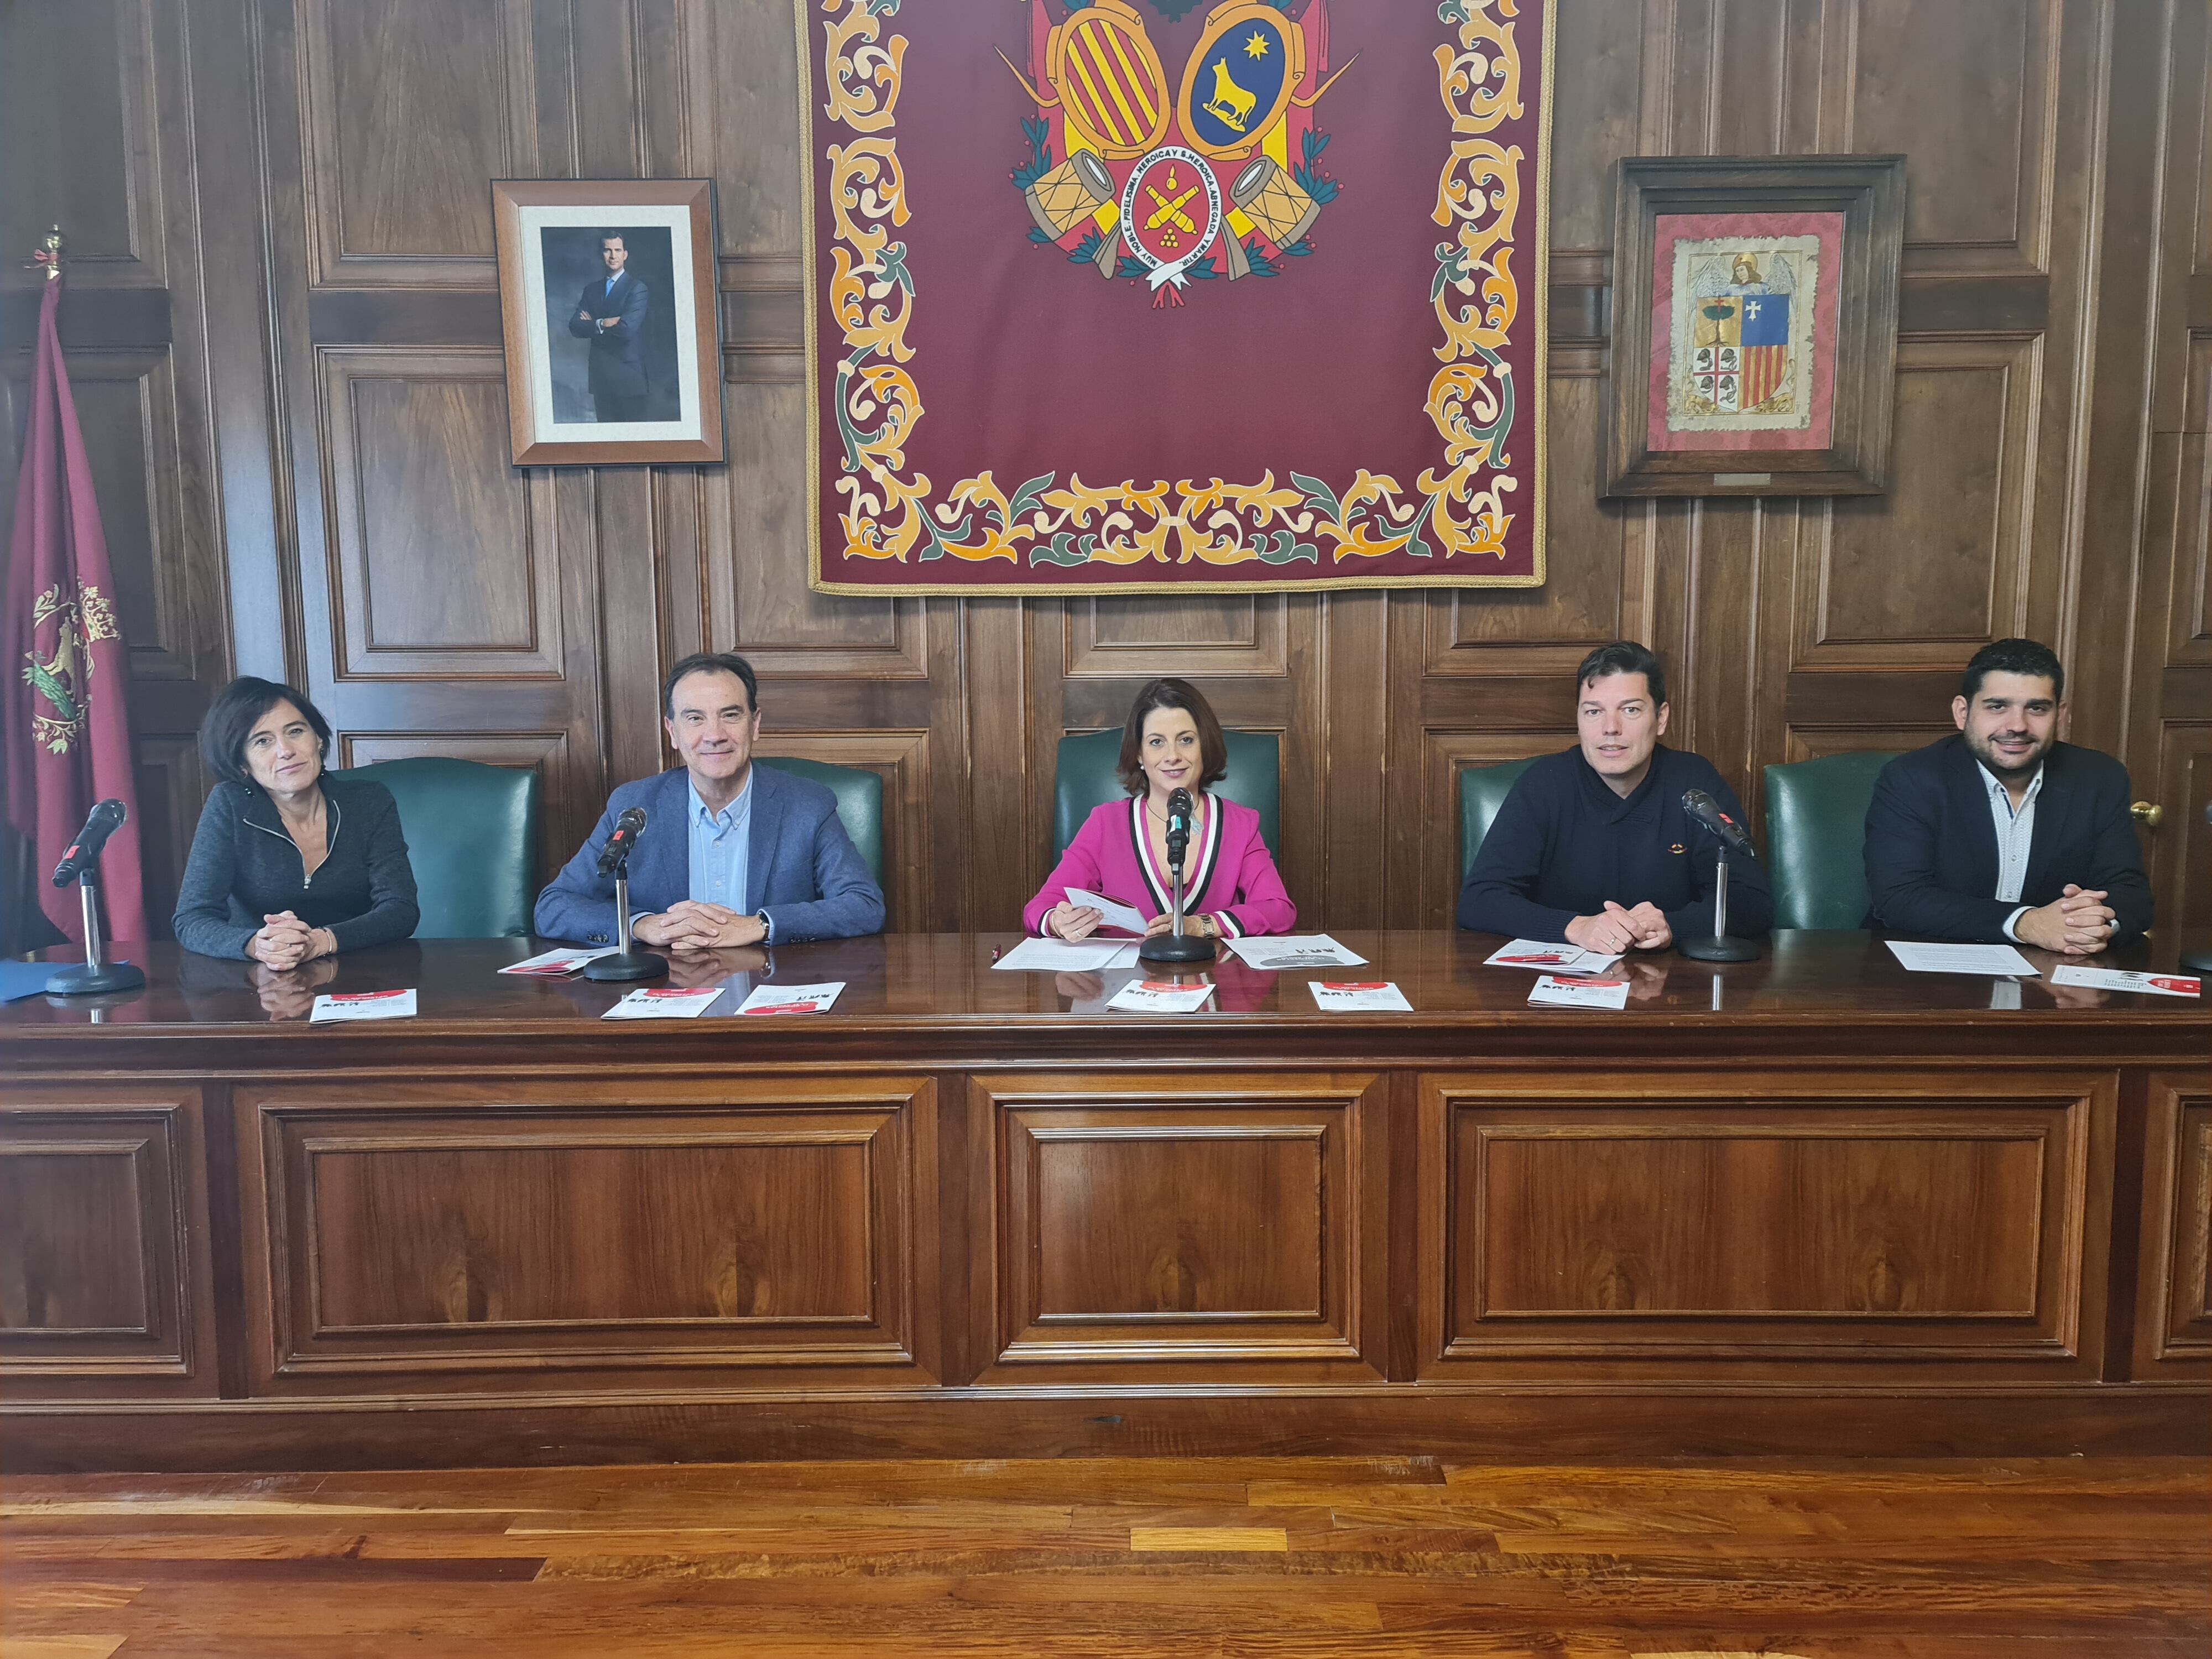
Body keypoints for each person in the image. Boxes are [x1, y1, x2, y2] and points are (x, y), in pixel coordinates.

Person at [534, 651, 884, 947]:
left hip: (772, 992)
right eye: (695, 718)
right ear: (673, 732)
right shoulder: (636, 805)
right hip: (666, 996)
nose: (714, 735)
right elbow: (555, 906)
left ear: (755, 724)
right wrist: (642, 925)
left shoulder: (807, 805)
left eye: (730, 715)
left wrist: (760, 925)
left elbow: (863, 904)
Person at [1457, 640, 1771, 953]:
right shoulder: (1545, 783)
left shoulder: (1692, 782)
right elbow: (1480, 900)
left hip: (1673, 985)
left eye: (1630, 710)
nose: (1610, 728)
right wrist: (1577, 927)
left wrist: (1672, 926)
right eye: (1594, 712)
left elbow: (1751, 902)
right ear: (1579, 719)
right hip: (1559, 984)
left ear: (1661, 718)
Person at [1863, 637, 2152, 952]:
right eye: (1997, 707)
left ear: (2061, 715)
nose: (2017, 725)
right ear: (1963, 712)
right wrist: (2026, 923)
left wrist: (2095, 925)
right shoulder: (1912, 778)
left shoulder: (2099, 778)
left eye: (2037, 708)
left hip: (2052, 971)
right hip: (1924, 971)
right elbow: (1899, 897)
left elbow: (2130, 893)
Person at [1024, 677, 1295, 942]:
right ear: (1139, 754)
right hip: (1124, 983)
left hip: (1215, 981)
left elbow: (1278, 909)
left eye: (1186, 740)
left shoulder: (1241, 824)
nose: (1172, 755)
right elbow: (1040, 908)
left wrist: (1205, 925)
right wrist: (1058, 922)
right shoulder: (1105, 823)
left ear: (1205, 746)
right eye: (1157, 742)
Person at [173, 677, 418, 964]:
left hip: (359, 969)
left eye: (296, 731)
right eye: (263, 741)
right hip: (262, 980)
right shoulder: (230, 804)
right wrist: (257, 945)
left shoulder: (368, 801)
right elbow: (192, 918)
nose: (285, 750)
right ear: (242, 763)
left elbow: (400, 909)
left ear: (317, 739)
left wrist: (321, 941)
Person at [568, 230, 649, 421]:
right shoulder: (591, 290)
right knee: (606, 444)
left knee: (632, 443)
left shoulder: (637, 289)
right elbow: (574, 327)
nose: (613, 256)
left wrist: (592, 327)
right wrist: (603, 323)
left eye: (617, 250)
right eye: (607, 250)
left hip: (629, 380)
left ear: (625, 254)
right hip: (601, 378)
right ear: (601, 254)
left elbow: (627, 331)